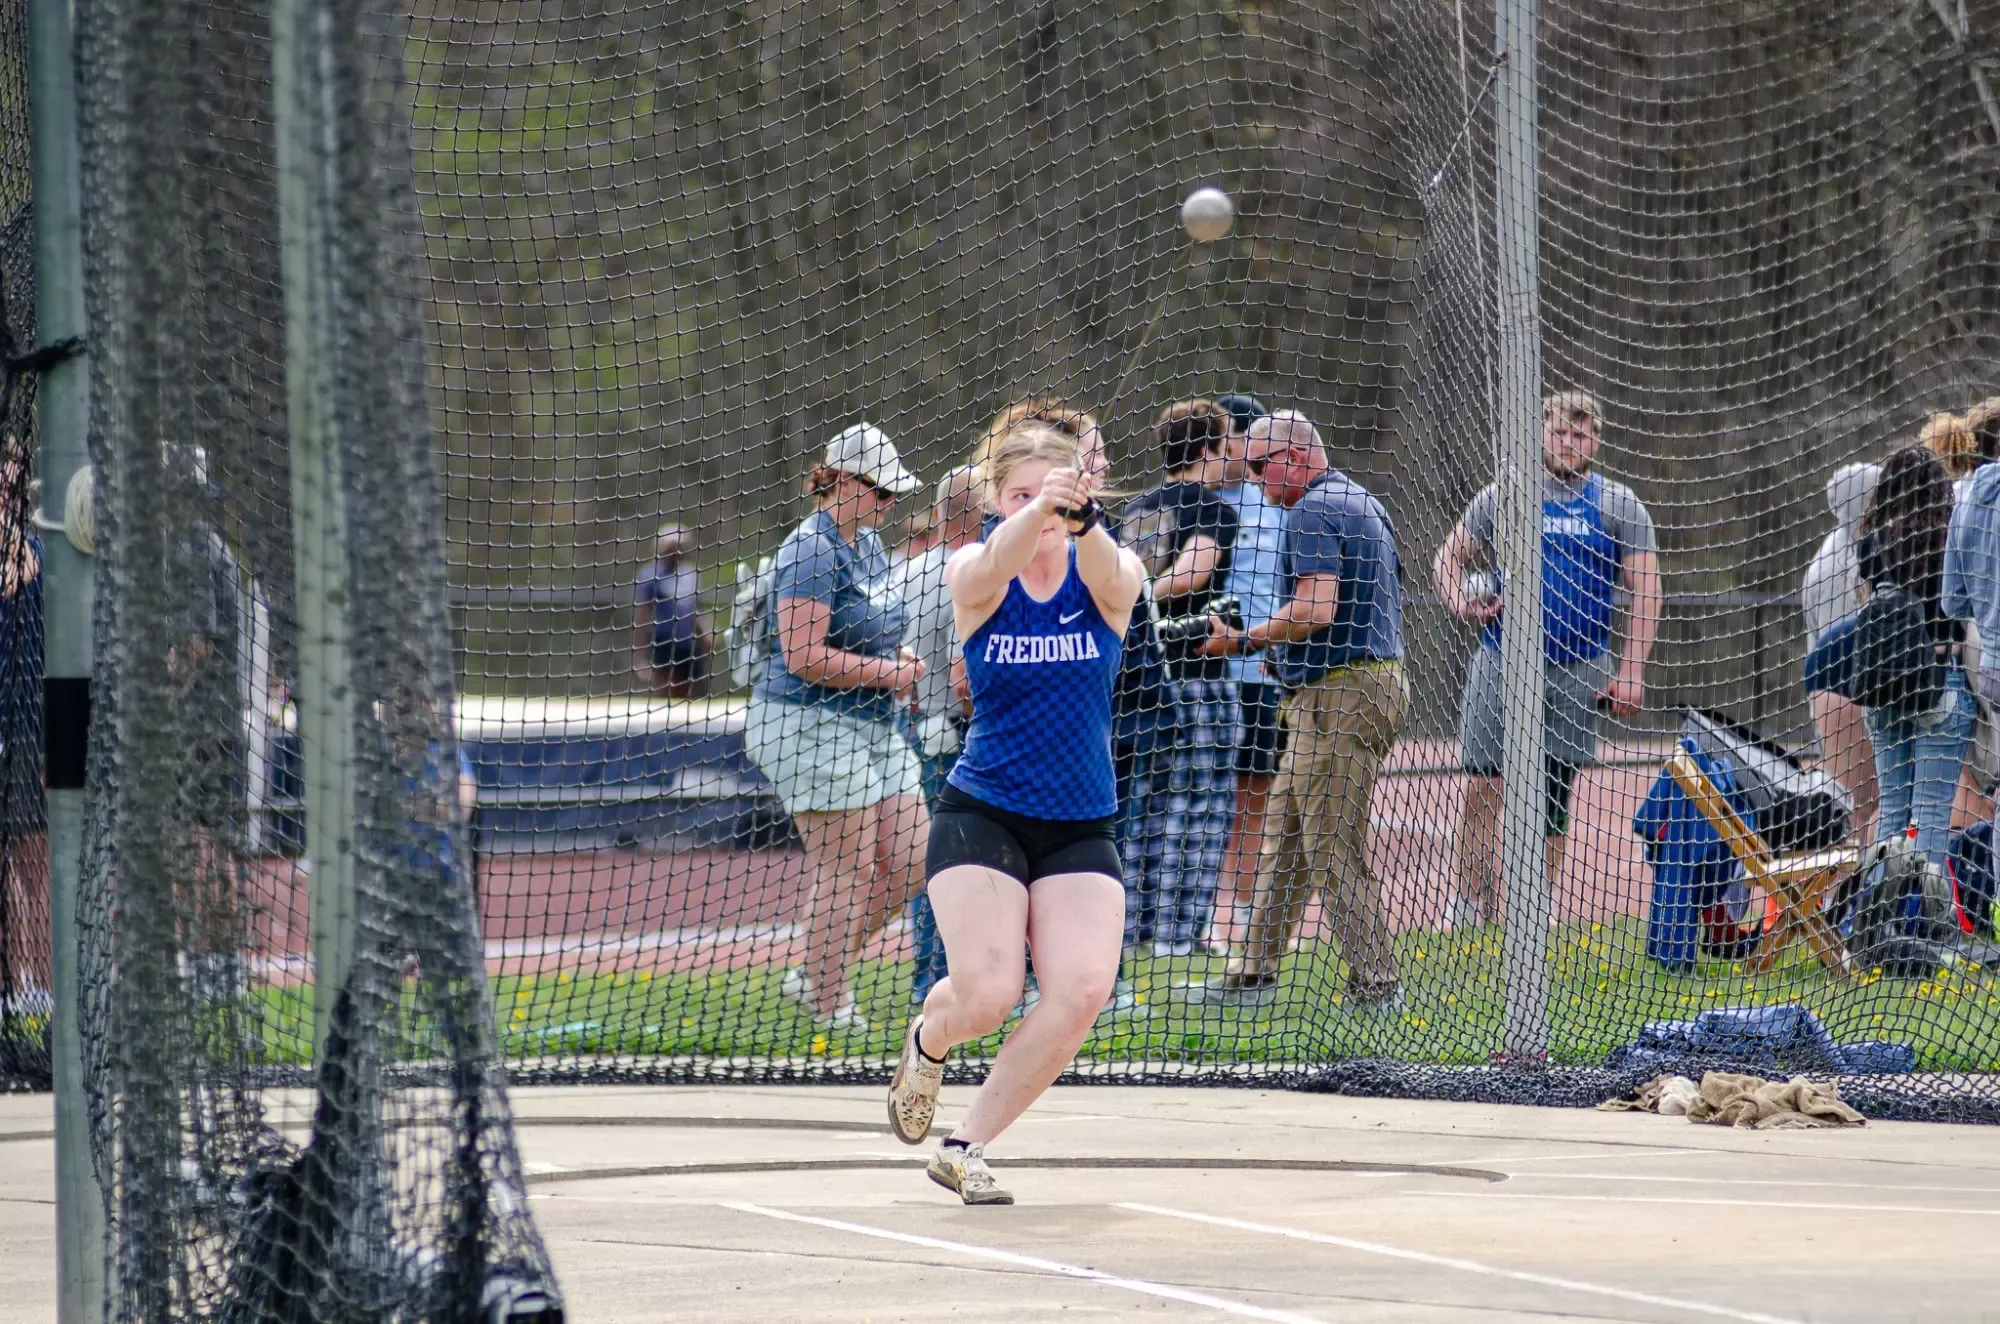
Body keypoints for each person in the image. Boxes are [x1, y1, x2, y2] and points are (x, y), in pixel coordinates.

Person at [885, 423, 1144, 1205]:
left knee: (1082, 988)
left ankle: (966, 1145)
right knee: (989, 996)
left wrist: (1082, 517)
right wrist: (1036, 515)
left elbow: (1115, 571)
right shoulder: (974, 571)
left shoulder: (1109, 567)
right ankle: (932, 1037)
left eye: (1050, 492)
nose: (1037, 508)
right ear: (996, 499)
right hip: (985, 812)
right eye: (1018, 495)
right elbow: (993, 559)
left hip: (1079, 820)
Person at [1188, 410, 1408, 1013]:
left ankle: (1377, 984)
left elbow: (1316, 608)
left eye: (1260, 465)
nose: (1254, 478)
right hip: (1342, 687)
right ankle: (1252, 976)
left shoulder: (1311, 509)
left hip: (1344, 695)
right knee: (1285, 836)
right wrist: (1286, 659)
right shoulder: (1358, 499)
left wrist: (1245, 640)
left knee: (1332, 844)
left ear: (1294, 456)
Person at [1430, 390, 1660, 928]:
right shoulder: (1506, 496)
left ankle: (1534, 910)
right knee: (1486, 783)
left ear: (1596, 441)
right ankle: (1467, 907)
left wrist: (1630, 672)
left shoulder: (1618, 505)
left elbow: (1647, 590)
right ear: (1540, 433)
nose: (1569, 442)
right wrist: (1460, 598)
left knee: (1554, 791)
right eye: (1559, 431)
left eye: (1580, 434)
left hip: (1580, 667)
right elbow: (1448, 557)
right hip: (1502, 659)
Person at [745, 422, 928, 1032]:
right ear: (845, 482)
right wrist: (887, 675)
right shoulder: (810, 549)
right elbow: (804, 656)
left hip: (873, 721)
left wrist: (897, 664)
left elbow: (875, 629)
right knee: (846, 869)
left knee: (914, 860)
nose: (890, 504)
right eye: (882, 492)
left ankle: (815, 970)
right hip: (805, 722)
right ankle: (830, 1004)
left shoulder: (870, 544)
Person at [1119, 400, 1240, 957]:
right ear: (1202, 450)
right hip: (1196, 676)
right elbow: (1194, 569)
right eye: (1223, 444)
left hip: (1140, 677)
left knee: (1142, 802)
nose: (1229, 455)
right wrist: (1143, 595)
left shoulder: (1140, 507)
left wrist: (1132, 596)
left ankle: (1134, 929)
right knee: (1200, 805)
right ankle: (1177, 933)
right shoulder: (1213, 509)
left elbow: (1131, 571)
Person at [885, 465, 985, 1006]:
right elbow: (961, 676)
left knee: (932, 866)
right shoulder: (968, 572)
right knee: (962, 867)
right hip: (958, 734)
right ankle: (944, 983)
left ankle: (931, 980)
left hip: (912, 731)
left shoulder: (906, 571)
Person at [1865, 443, 1971, 872]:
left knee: (1891, 815)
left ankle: (1874, 923)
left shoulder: (1872, 544)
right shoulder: (1948, 538)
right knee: (1930, 821)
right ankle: (1929, 924)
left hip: (1884, 687)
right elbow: (1959, 608)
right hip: (1938, 683)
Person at [1207, 392, 1286, 950]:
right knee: (1210, 795)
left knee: (1257, 792)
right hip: (1207, 679)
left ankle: (1241, 906)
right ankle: (1202, 908)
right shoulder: (1202, 500)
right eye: (1235, 436)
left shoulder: (1278, 501)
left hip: (1262, 672)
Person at [1803, 462, 1882, 843]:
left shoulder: (1843, 549)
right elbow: (1844, 652)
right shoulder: (1836, 566)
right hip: (1846, 701)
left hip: (1840, 698)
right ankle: (1858, 899)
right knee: (1863, 810)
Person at [0, 434, 42, 1020]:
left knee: (34, 857)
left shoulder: (37, 550)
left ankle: (38, 983)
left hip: (30, 726)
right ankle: (14, 984)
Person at [633, 523, 711, 699]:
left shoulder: (690, 574)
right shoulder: (651, 576)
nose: (677, 552)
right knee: (669, 692)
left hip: (689, 644)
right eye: (672, 547)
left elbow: (696, 609)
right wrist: (641, 658)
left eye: (680, 547)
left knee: (693, 693)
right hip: (665, 644)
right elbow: (643, 617)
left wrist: (706, 632)